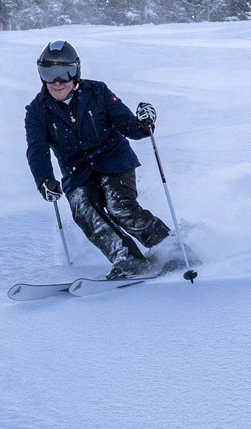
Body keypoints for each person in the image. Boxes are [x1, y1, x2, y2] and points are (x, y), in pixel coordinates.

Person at [24, 40, 173, 279]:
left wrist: (143, 124)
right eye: (49, 74)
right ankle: (128, 259)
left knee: (119, 206)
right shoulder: (37, 111)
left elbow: (128, 126)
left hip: (113, 160)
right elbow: (37, 149)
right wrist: (44, 179)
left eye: (64, 73)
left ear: (76, 71)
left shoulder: (98, 92)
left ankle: (169, 247)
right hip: (77, 172)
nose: (57, 82)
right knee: (84, 211)